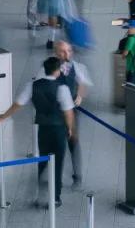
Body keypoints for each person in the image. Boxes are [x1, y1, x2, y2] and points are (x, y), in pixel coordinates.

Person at [0, 57, 75, 207]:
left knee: (43, 161)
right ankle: (55, 197)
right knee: (57, 164)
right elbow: (68, 112)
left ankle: (41, 195)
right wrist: (70, 128)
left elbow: (18, 104)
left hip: (42, 129)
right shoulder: (62, 88)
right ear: (57, 71)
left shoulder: (32, 85)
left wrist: (3, 117)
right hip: (58, 130)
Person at [47, 41, 92, 187]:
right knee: (55, 144)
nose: (67, 54)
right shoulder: (48, 68)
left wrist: (79, 96)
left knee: (73, 142)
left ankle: (77, 175)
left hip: (72, 111)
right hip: (55, 112)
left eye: (69, 51)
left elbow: (82, 84)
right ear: (56, 52)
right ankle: (54, 176)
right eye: (63, 51)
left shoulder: (77, 67)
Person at [119, 19, 135, 86]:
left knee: (130, 86)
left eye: (131, 28)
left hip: (131, 68)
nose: (129, 29)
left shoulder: (131, 39)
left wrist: (121, 58)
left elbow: (125, 53)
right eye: (129, 28)